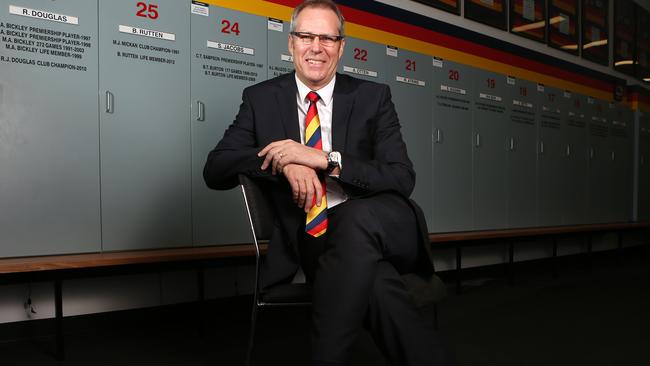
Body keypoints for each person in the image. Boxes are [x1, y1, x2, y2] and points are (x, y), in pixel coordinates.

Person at [204, 1, 455, 365]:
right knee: (377, 284)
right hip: (316, 236)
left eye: (327, 38)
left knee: (355, 218)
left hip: (388, 224)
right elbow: (217, 167)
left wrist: (326, 160)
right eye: (306, 36)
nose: (316, 47)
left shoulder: (372, 97)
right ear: (291, 43)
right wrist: (283, 160)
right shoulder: (261, 99)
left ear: (341, 46)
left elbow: (401, 177)